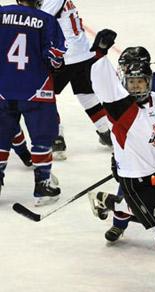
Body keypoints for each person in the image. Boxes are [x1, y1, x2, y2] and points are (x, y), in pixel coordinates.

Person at [87, 30, 155, 283]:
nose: (135, 87)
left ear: (149, 82)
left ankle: (106, 201)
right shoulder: (120, 108)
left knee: (151, 214)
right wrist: (100, 53)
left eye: (140, 82)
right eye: (131, 83)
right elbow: (103, 84)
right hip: (136, 177)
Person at [0, 0, 66, 205]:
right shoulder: (46, 19)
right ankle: (43, 185)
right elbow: (55, 58)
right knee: (41, 139)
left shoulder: (1, 14)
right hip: (36, 89)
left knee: (1, 137)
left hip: (2, 88)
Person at [39, 0, 112, 160]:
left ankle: (56, 137)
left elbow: (41, 20)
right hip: (83, 53)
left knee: (46, 94)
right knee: (86, 93)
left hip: (65, 54)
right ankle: (105, 131)